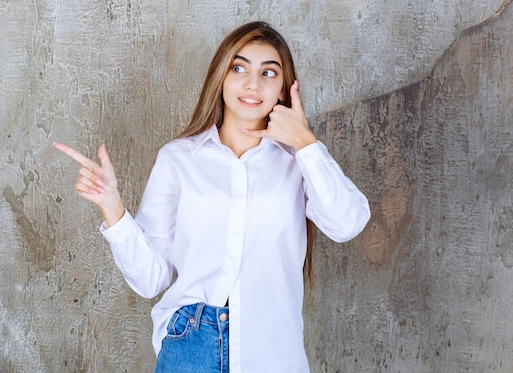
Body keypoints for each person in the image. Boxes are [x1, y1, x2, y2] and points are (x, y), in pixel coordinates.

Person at [54, 21, 370, 373]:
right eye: (239, 68)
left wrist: (306, 142)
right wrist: (112, 205)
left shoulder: (301, 161)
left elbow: (348, 223)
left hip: (272, 349)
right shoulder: (179, 159)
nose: (253, 83)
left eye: (269, 73)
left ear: (284, 88)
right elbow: (150, 279)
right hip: (190, 346)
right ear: (221, 78)